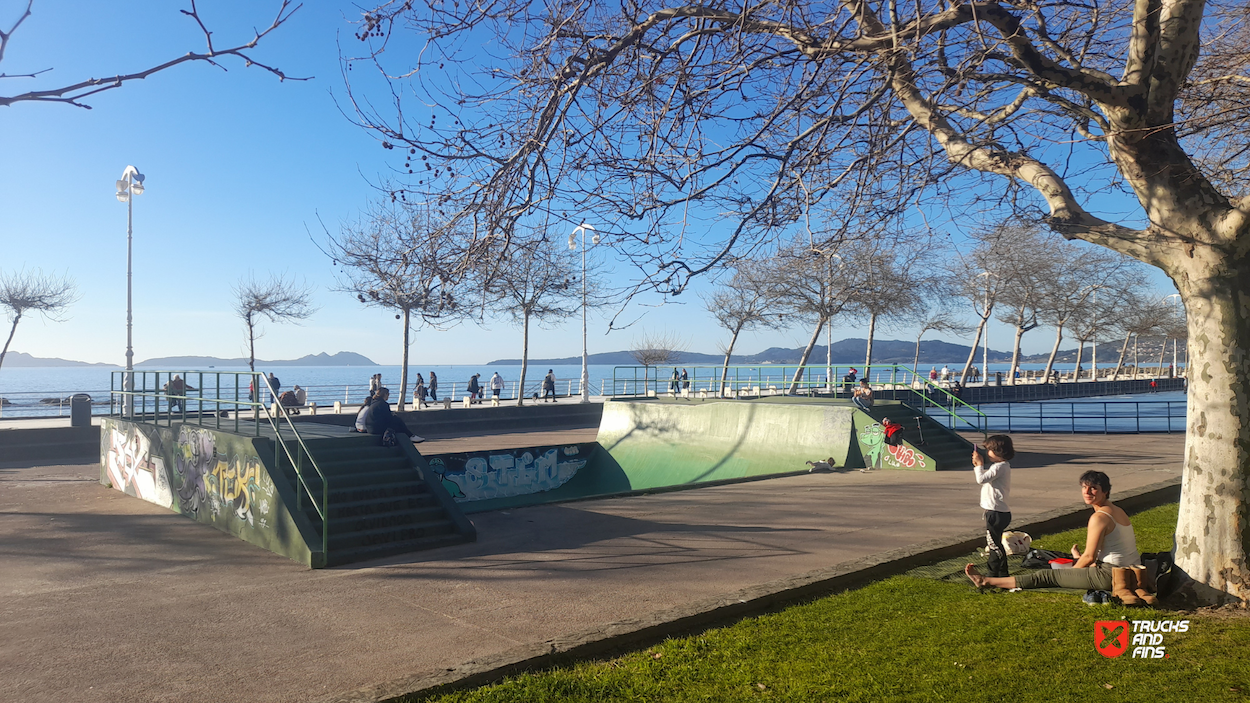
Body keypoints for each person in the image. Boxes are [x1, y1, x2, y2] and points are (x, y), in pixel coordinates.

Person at [965, 470, 1148, 602]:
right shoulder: (1117, 510)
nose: (1087, 492)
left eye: (1093, 488)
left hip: (1112, 575)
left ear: (1105, 491)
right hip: (1131, 571)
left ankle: (986, 581)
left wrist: (1070, 574)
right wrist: (1080, 560)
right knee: (1072, 563)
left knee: (1047, 576)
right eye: (1084, 487)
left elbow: (1090, 557)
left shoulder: (1099, 517)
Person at [972, 435, 1015, 578]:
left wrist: (979, 465)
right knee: (995, 544)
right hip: (998, 512)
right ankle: (1001, 574)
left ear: (998, 451)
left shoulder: (1000, 467)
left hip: (996, 513)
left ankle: (993, 574)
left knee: (994, 546)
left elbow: (981, 479)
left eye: (989, 450)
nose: (987, 452)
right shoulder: (1001, 466)